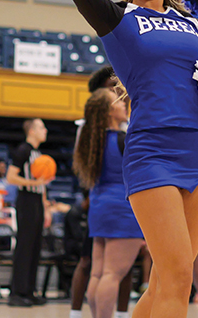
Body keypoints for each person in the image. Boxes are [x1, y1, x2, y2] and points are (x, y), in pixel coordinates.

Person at [29, 0, 198, 318]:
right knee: (180, 278)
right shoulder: (115, 16)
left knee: (167, 280)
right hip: (154, 153)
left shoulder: (194, 25)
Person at [69, 67, 133, 318]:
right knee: (112, 274)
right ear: (109, 110)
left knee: (98, 273)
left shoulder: (93, 139)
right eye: (116, 100)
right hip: (121, 209)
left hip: (99, 208)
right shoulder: (122, 138)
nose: (122, 101)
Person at [5, 118, 50, 307]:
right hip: (26, 201)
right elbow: (11, 177)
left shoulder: (38, 154)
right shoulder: (23, 150)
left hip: (37, 202)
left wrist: (46, 206)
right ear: (31, 131)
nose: (45, 130)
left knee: (35, 247)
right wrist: (32, 184)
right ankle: (16, 292)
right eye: (41, 127)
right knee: (24, 246)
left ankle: (30, 291)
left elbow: (42, 183)